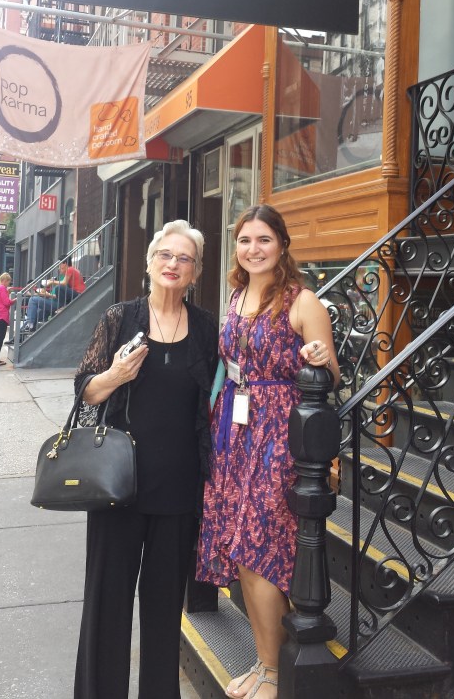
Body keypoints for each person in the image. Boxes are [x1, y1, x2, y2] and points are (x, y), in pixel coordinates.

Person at [197, 204, 340, 699]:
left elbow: (331, 374)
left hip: (278, 436)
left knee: (257, 550)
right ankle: (265, 663)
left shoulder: (302, 301)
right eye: (245, 240)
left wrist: (317, 357)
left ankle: (275, 673)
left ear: (281, 245)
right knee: (240, 549)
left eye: (263, 240)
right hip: (234, 433)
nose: (253, 249)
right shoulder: (237, 296)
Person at [73, 219, 218, 699]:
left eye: (184, 258)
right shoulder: (120, 318)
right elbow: (85, 391)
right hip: (118, 485)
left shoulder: (205, 328)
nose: (173, 264)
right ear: (149, 262)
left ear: (196, 271)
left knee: (163, 611)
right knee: (107, 605)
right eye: (165, 255)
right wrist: (115, 374)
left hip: (177, 491)